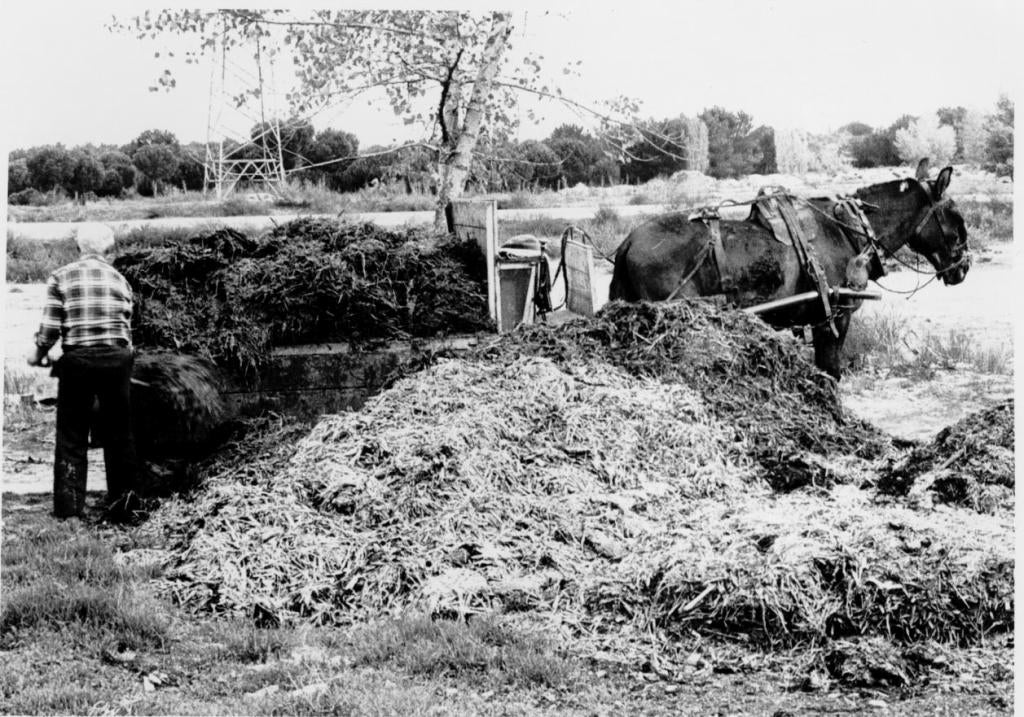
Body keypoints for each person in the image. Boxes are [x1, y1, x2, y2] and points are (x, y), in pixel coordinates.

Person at [27, 226, 140, 522]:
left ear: (79, 249)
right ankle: (124, 508)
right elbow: (126, 330)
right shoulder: (121, 280)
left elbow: (50, 330)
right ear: (109, 251)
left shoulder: (61, 277)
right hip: (118, 360)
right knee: (119, 436)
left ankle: (69, 512)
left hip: (78, 362)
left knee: (72, 435)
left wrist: (38, 355)